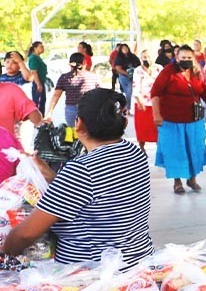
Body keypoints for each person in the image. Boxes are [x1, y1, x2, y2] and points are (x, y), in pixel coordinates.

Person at [3, 88, 154, 269]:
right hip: (138, 262)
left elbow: (25, 235)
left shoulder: (82, 169)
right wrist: (52, 177)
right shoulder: (133, 152)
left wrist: (5, 250)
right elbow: (96, 195)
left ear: (79, 124)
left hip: (92, 275)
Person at [151, 45, 206, 195]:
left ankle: (192, 179)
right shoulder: (168, 72)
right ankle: (177, 182)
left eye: (189, 58)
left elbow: (204, 91)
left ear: (193, 58)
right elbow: (155, 93)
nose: (186, 60)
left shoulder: (196, 72)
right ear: (177, 58)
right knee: (176, 151)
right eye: (183, 58)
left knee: (194, 149)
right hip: (172, 121)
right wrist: (156, 114)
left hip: (194, 120)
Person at [47, 53, 101, 125]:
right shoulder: (93, 77)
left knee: (74, 132)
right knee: (88, 133)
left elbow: (56, 95)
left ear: (70, 64)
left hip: (71, 109)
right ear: (84, 63)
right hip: (89, 109)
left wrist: (49, 113)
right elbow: (100, 94)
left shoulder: (64, 77)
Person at [132, 50, 161, 152]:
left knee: (157, 127)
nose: (146, 59)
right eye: (144, 57)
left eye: (148, 57)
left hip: (157, 102)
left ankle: (160, 148)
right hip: (142, 102)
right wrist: (139, 101)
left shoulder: (159, 68)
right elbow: (136, 87)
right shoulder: (138, 70)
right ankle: (141, 148)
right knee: (142, 127)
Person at [114, 43, 141, 107]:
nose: (125, 49)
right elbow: (118, 68)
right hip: (124, 77)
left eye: (126, 48)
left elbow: (139, 64)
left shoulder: (133, 56)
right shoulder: (119, 57)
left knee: (131, 92)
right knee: (129, 92)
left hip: (134, 76)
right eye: (123, 48)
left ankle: (128, 107)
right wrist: (127, 73)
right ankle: (128, 107)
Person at [26, 41, 47, 114]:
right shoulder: (33, 58)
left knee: (42, 102)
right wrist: (38, 84)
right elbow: (34, 72)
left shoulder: (37, 57)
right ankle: (38, 121)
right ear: (35, 48)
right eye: (41, 47)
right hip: (37, 83)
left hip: (41, 82)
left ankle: (41, 119)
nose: (43, 48)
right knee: (38, 103)